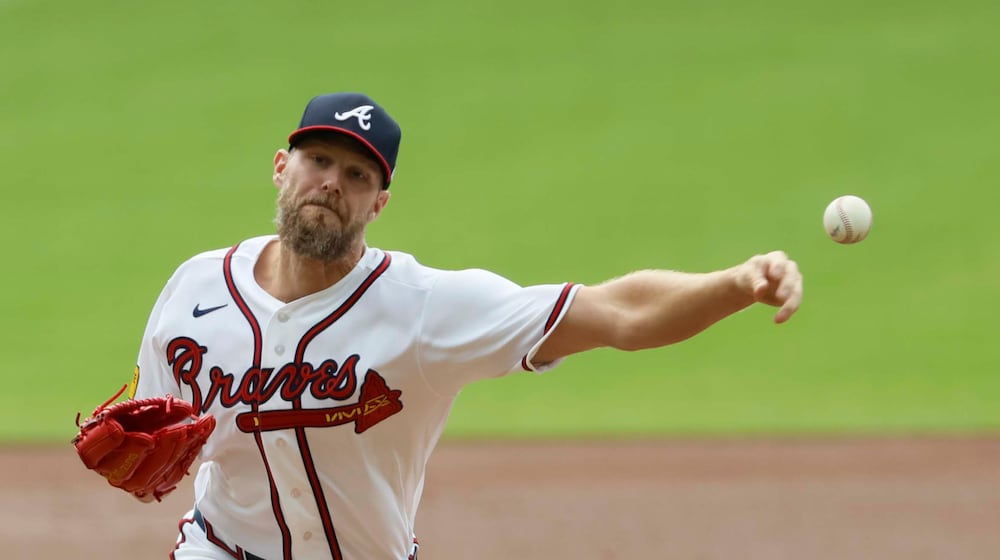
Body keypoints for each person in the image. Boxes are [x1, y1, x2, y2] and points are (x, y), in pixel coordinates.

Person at [130, 92, 803, 560]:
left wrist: (736, 284)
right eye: (319, 161)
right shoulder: (195, 290)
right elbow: (151, 434)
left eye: (357, 173)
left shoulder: (426, 308)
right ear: (282, 167)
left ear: (379, 203)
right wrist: (139, 458)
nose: (333, 182)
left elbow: (618, 312)